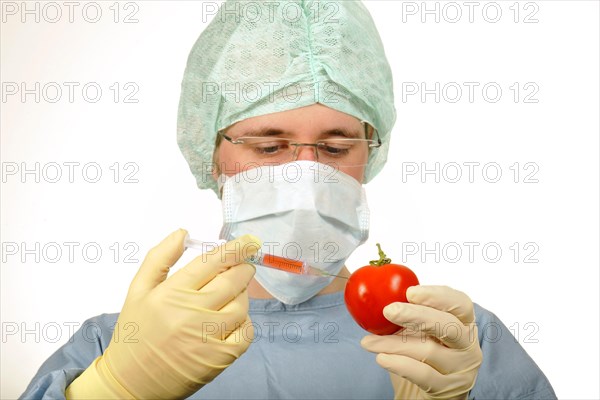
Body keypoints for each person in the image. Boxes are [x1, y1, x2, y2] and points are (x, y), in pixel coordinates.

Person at [21, 1, 556, 399]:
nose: (305, 175)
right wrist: (112, 389)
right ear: (210, 154)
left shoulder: (453, 341)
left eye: (335, 145)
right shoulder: (118, 346)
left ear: (369, 154)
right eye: (269, 145)